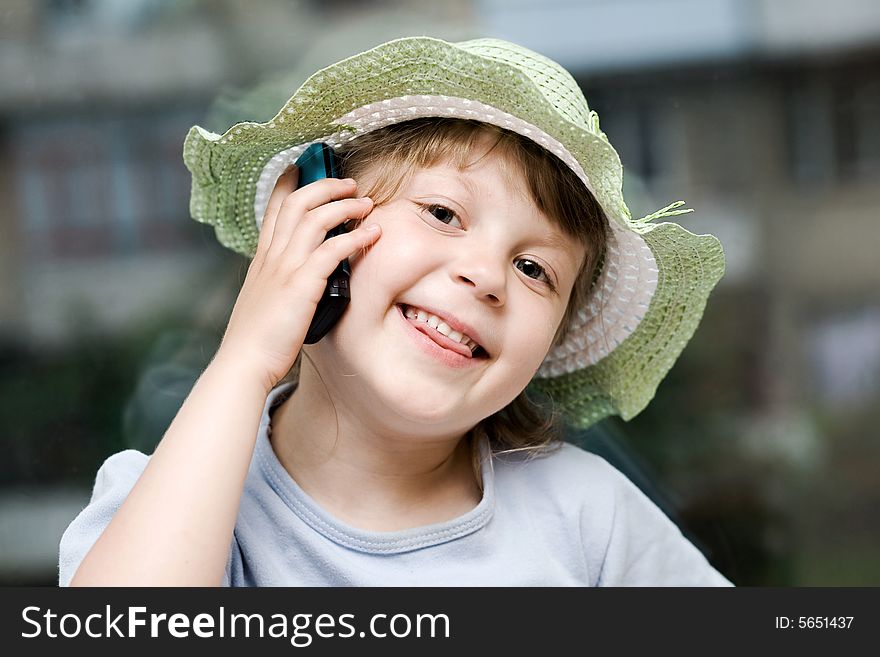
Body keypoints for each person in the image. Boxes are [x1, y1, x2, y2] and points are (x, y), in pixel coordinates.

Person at [59, 36, 730, 586]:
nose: (487, 275)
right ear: (316, 225)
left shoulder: (588, 515)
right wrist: (244, 361)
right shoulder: (170, 493)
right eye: (442, 212)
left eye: (535, 269)